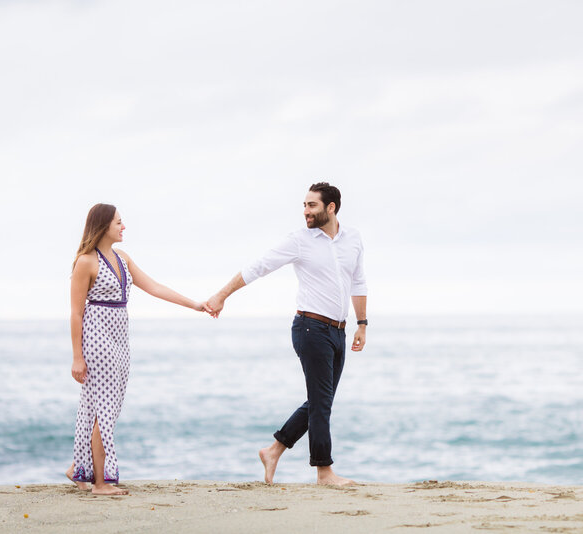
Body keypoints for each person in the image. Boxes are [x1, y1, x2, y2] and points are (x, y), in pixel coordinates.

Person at [205, 182, 368, 486]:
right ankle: (324, 472)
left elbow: (358, 282)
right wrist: (221, 295)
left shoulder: (353, 239)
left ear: (330, 208)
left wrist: (362, 323)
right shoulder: (299, 241)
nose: (306, 211)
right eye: (304, 206)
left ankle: (274, 450)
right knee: (321, 402)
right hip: (310, 328)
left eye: (312, 206)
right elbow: (259, 267)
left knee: (322, 400)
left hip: (340, 331)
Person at [67, 203, 206, 495]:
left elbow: (154, 287)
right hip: (97, 336)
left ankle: (78, 468)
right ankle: (100, 483)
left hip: (120, 337)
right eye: (118, 222)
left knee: (101, 406)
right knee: (104, 408)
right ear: (104, 225)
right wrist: (77, 357)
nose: (123, 226)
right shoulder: (85, 261)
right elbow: (76, 313)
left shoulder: (123, 258)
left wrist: (194, 304)